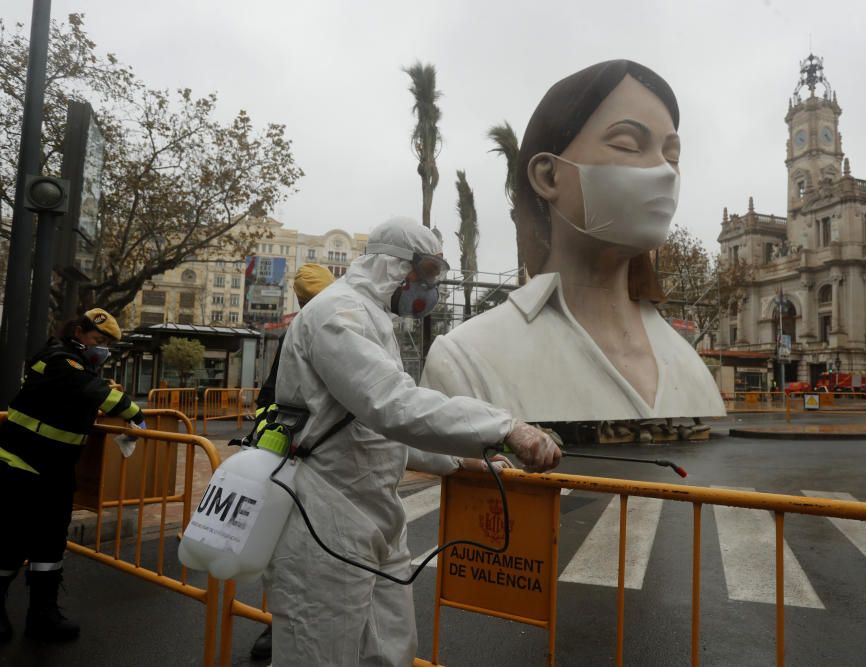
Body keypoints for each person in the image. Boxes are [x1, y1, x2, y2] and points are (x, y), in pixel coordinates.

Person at [265, 217, 561, 666]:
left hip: (375, 514)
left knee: (391, 650)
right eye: (426, 272)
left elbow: (376, 430)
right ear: (393, 264)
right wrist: (505, 428)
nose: (428, 287)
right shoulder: (335, 314)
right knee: (319, 652)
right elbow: (391, 404)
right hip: (324, 513)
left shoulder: (373, 320)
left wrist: (462, 463)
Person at [420, 60, 726, 429]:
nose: (664, 172)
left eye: (672, 156)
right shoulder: (468, 361)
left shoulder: (686, 363)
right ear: (548, 175)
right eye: (629, 145)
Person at [0, 309, 145, 643]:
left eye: (107, 344)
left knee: (50, 545)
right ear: (79, 331)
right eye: (98, 340)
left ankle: (44, 616)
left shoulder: (80, 366)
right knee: (10, 542)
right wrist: (134, 412)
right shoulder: (58, 359)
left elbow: (87, 392)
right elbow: (95, 392)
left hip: (56, 470)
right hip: (20, 464)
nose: (102, 348)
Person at [248, 262, 334, 660]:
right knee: (289, 543)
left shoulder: (320, 326)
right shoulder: (312, 330)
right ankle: (279, 624)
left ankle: (283, 623)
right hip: (295, 453)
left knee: (294, 542)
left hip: (298, 452)